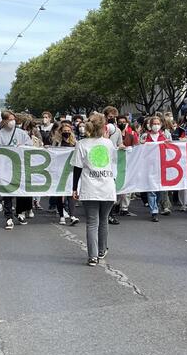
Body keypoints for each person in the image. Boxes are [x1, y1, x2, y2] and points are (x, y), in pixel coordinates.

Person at [71, 113, 118, 266]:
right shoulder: (109, 144)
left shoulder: (82, 144)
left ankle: (92, 256)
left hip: (90, 187)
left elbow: (77, 168)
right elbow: (113, 165)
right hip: (107, 186)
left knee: (92, 222)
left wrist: (74, 188)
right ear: (104, 127)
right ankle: (101, 250)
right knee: (103, 220)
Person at [0, 110, 33, 229]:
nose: (12, 121)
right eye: (9, 119)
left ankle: (20, 212)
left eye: (13, 119)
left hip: (20, 168)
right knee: (7, 192)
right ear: (4, 121)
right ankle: (8, 217)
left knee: (20, 191)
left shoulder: (21, 133)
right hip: (6, 169)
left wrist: (23, 147)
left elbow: (30, 146)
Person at [140, 116, 171, 222]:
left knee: (158, 190)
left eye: (158, 123)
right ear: (150, 125)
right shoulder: (145, 136)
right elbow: (139, 150)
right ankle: (154, 211)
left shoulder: (164, 136)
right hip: (149, 167)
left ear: (161, 125)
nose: (156, 125)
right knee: (151, 189)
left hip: (161, 166)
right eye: (154, 123)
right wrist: (142, 144)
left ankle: (156, 205)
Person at [52, 121, 79, 225]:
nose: (67, 132)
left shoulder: (75, 143)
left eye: (68, 131)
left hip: (71, 171)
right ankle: (61, 215)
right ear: (60, 132)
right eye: (64, 131)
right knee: (60, 193)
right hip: (59, 170)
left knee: (71, 192)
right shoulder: (56, 142)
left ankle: (72, 215)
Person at [117, 115, 139, 216]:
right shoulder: (113, 136)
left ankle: (124, 207)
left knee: (128, 186)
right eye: (119, 122)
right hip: (116, 164)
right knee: (117, 186)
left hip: (128, 164)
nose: (122, 124)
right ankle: (116, 205)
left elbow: (136, 149)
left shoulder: (130, 136)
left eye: (123, 122)